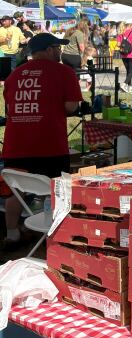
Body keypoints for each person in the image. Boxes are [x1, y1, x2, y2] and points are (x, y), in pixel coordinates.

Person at [2, 33, 83, 250]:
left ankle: (12, 235)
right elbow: (71, 107)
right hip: (50, 146)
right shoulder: (64, 72)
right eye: (58, 47)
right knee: (58, 190)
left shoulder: (14, 75)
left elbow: (9, 109)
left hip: (15, 146)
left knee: (15, 190)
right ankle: (59, 234)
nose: (60, 52)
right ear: (48, 50)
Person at [116, 22, 132, 92]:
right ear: (129, 25)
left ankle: (130, 87)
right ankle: (124, 84)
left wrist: (124, 43)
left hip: (123, 54)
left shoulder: (120, 33)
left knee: (128, 71)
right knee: (131, 72)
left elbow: (118, 44)